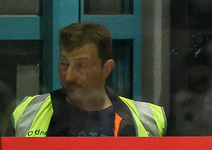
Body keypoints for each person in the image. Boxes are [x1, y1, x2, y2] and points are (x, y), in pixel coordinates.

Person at [11, 22, 167, 137]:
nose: (69, 76)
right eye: (64, 64)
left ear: (107, 69)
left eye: (81, 65)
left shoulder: (151, 120)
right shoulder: (26, 114)